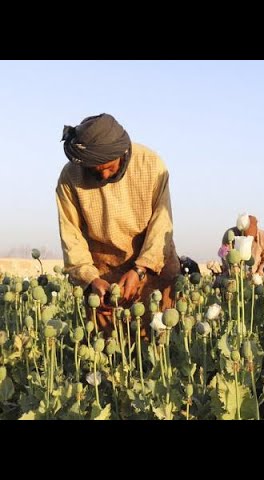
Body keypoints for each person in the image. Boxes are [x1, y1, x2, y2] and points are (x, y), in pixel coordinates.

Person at [56, 113, 180, 337]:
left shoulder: (150, 165)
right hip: (103, 278)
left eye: (109, 167)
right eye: (94, 170)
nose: (102, 174)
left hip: (152, 268)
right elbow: (71, 236)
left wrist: (140, 270)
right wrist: (91, 279)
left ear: (122, 153)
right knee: (110, 353)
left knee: (157, 347)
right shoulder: (70, 178)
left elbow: (161, 225)